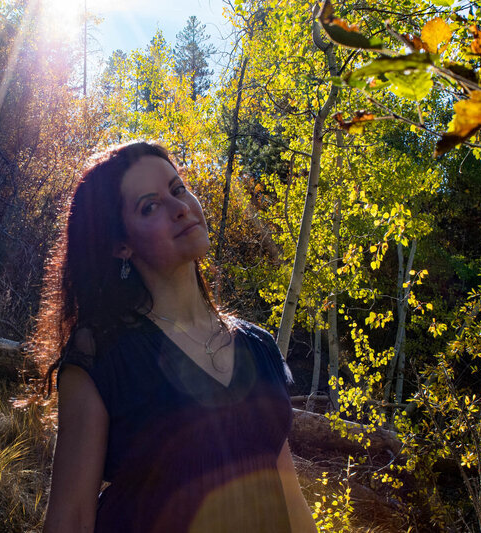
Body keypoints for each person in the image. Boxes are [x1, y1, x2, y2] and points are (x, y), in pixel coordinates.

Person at [36, 142, 317, 532]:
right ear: (121, 246)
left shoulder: (259, 346)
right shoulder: (103, 353)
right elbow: (71, 519)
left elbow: (288, 494)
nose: (180, 207)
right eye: (149, 206)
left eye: (177, 189)